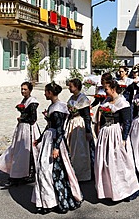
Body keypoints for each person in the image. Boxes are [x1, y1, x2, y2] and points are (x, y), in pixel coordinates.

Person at [32, 81, 82, 215]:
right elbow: (49, 125)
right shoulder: (53, 106)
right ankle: (48, 200)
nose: (44, 94)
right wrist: (40, 138)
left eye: (46, 92)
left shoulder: (58, 108)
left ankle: (57, 201)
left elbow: (60, 129)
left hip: (55, 142)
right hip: (49, 139)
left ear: (50, 93)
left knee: (53, 171)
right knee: (44, 170)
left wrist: (56, 148)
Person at [94, 79, 139, 202]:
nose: (104, 91)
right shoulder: (106, 101)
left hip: (116, 133)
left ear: (113, 89)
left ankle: (123, 189)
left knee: (118, 162)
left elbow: (127, 122)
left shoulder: (122, 103)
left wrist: (124, 138)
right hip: (105, 134)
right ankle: (107, 190)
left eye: (106, 89)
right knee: (104, 161)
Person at [0, 82, 40, 188]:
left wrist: (22, 118)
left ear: (30, 90)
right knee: (18, 150)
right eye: (22, 89)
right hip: (22, 128)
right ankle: (23, 174)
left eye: (25, 89)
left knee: (24, 152)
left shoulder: (32, 102)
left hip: (28, 129)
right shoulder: (24, 100)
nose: (23, 91)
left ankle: (21, 175)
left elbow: (33, 118)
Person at [66, 78, 94, 182]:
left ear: (76, 87)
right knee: (71, 148)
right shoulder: (72, 97)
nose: (69, 88)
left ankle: (83, 174)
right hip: (72, 123)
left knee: (80, 149)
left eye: (71, 86)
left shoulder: (83, 99)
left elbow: (87, 116)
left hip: (80, 124)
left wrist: (88, 131)